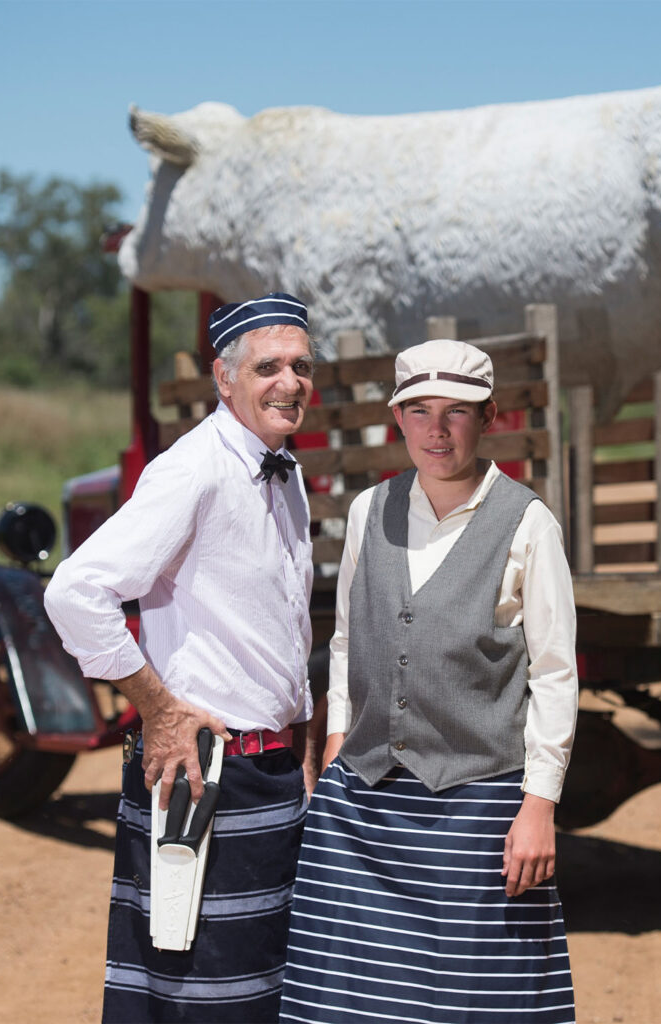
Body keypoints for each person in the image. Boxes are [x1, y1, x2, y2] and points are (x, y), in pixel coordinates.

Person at [279, 338, 579, 1023]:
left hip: (476, 808)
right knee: (349, 1000)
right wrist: (334, 740)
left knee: (470, 1002)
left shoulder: (528, 523)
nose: (436, 431)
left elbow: (556, 674)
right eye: (419, 411)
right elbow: (350, 638)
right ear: (398, 418)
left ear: (490, 416)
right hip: (365, 803)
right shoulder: (367, 510)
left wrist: (539, 806)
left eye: (456, 412)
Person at [44, 292, 317, 1023]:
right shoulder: (193, 469)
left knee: (259, 1000)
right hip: (201, 774)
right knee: (192, 1000)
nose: (288, 382)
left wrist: (305, 737)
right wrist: (157, 707)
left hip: (272, 776)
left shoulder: (285, 475)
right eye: (268, 368)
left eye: (300, 366)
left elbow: (282, 627)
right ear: (224, 380)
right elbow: (75, 592)